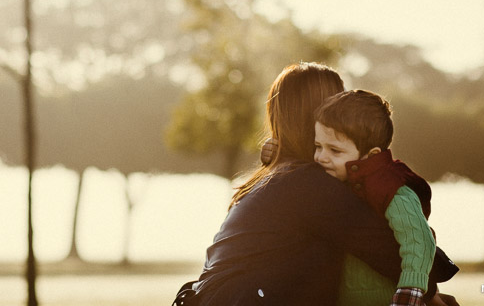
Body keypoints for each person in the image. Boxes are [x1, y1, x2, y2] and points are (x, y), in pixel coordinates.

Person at [173, 62, 457, 306]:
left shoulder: (277, 176)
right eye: (338, 103)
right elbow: (389, 248)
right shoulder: (308, 185)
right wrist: (434, 293)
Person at [314, 89, 438, 306]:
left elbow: (419, 239)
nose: (321, 157)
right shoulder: (335, 181)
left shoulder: (391, 188)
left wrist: (409, 292)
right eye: (317, 146)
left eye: (335, 150)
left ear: (371, 155)